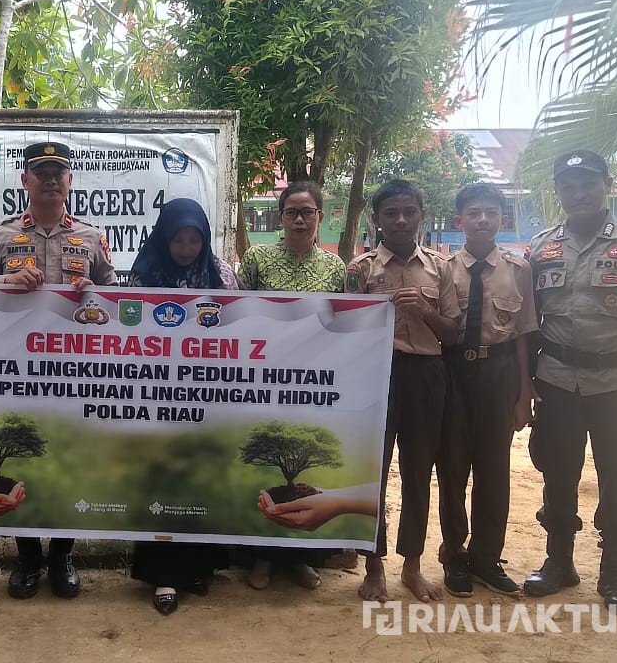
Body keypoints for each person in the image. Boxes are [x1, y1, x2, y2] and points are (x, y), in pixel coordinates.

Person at [522, 151, 617, 612]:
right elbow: (528, 323)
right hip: (557, 381)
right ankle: (558, 563)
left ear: (607, 185)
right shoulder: (541, 247)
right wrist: (525, 382)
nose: (578, 193)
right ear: (558, 192)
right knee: (557, 473)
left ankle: (614, 574)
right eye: (568, 186)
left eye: (588, 184)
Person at [0, 140, 118, 600]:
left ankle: (62, 554)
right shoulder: (1, 236)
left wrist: (95, 290)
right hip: (18, 370)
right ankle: (28, 555)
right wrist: (7, 279)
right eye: (42, 172)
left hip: (75, 373)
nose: (51, 179)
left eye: (59, 172)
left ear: (70, 181)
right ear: (25, 180)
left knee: (70, 458)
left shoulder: (92, 237)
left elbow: (117, 295)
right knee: (22, 455)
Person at [346, 179, 460, 603]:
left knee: (418, 472)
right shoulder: (360, 269)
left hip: (426, 374)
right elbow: (346, 329)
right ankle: (373, 566)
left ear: (421, 216)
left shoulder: (440, 268)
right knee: (371, 472)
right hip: (375, 375)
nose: (400, 220)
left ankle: (412, 565)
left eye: (409, 212)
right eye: (391, 213)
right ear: (377, 219)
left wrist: (424, 310)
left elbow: (453, 333)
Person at [127, 197, 233, 615]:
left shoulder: (221, 275)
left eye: (194, 240)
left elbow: (240, 330)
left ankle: (198, 568)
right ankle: (164, 575)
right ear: (163, 238)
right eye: (178, 239)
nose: (187, 248)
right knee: (163, 480)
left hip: (208, 397)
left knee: (202, 479)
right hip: (156, 399)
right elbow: (128, 333)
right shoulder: (145, 276)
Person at [237, 181, 344, 591]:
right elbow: (240, 315)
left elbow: (342, 324)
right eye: (291, 212)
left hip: (314, 383)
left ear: (320, 217)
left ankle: (300, 559)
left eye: (308, 212)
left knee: (305, 468)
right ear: (280, 218)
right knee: (267, 463)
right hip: (264, 380)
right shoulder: (257, 260)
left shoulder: (335, 268)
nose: (300, 220)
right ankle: (261, 558)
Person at [436, 183, 536, 598]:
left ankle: (486, 558)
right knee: (452, 470)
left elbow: (524, 335)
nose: (482, 220)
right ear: (459, 220)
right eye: (474, 213)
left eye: (491, 213)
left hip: (500, 373)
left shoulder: (519, 269)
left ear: (502, 219)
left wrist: (523, 394)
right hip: (454, 374)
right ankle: (454, 556)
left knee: (494, 472)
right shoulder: (443, 268)